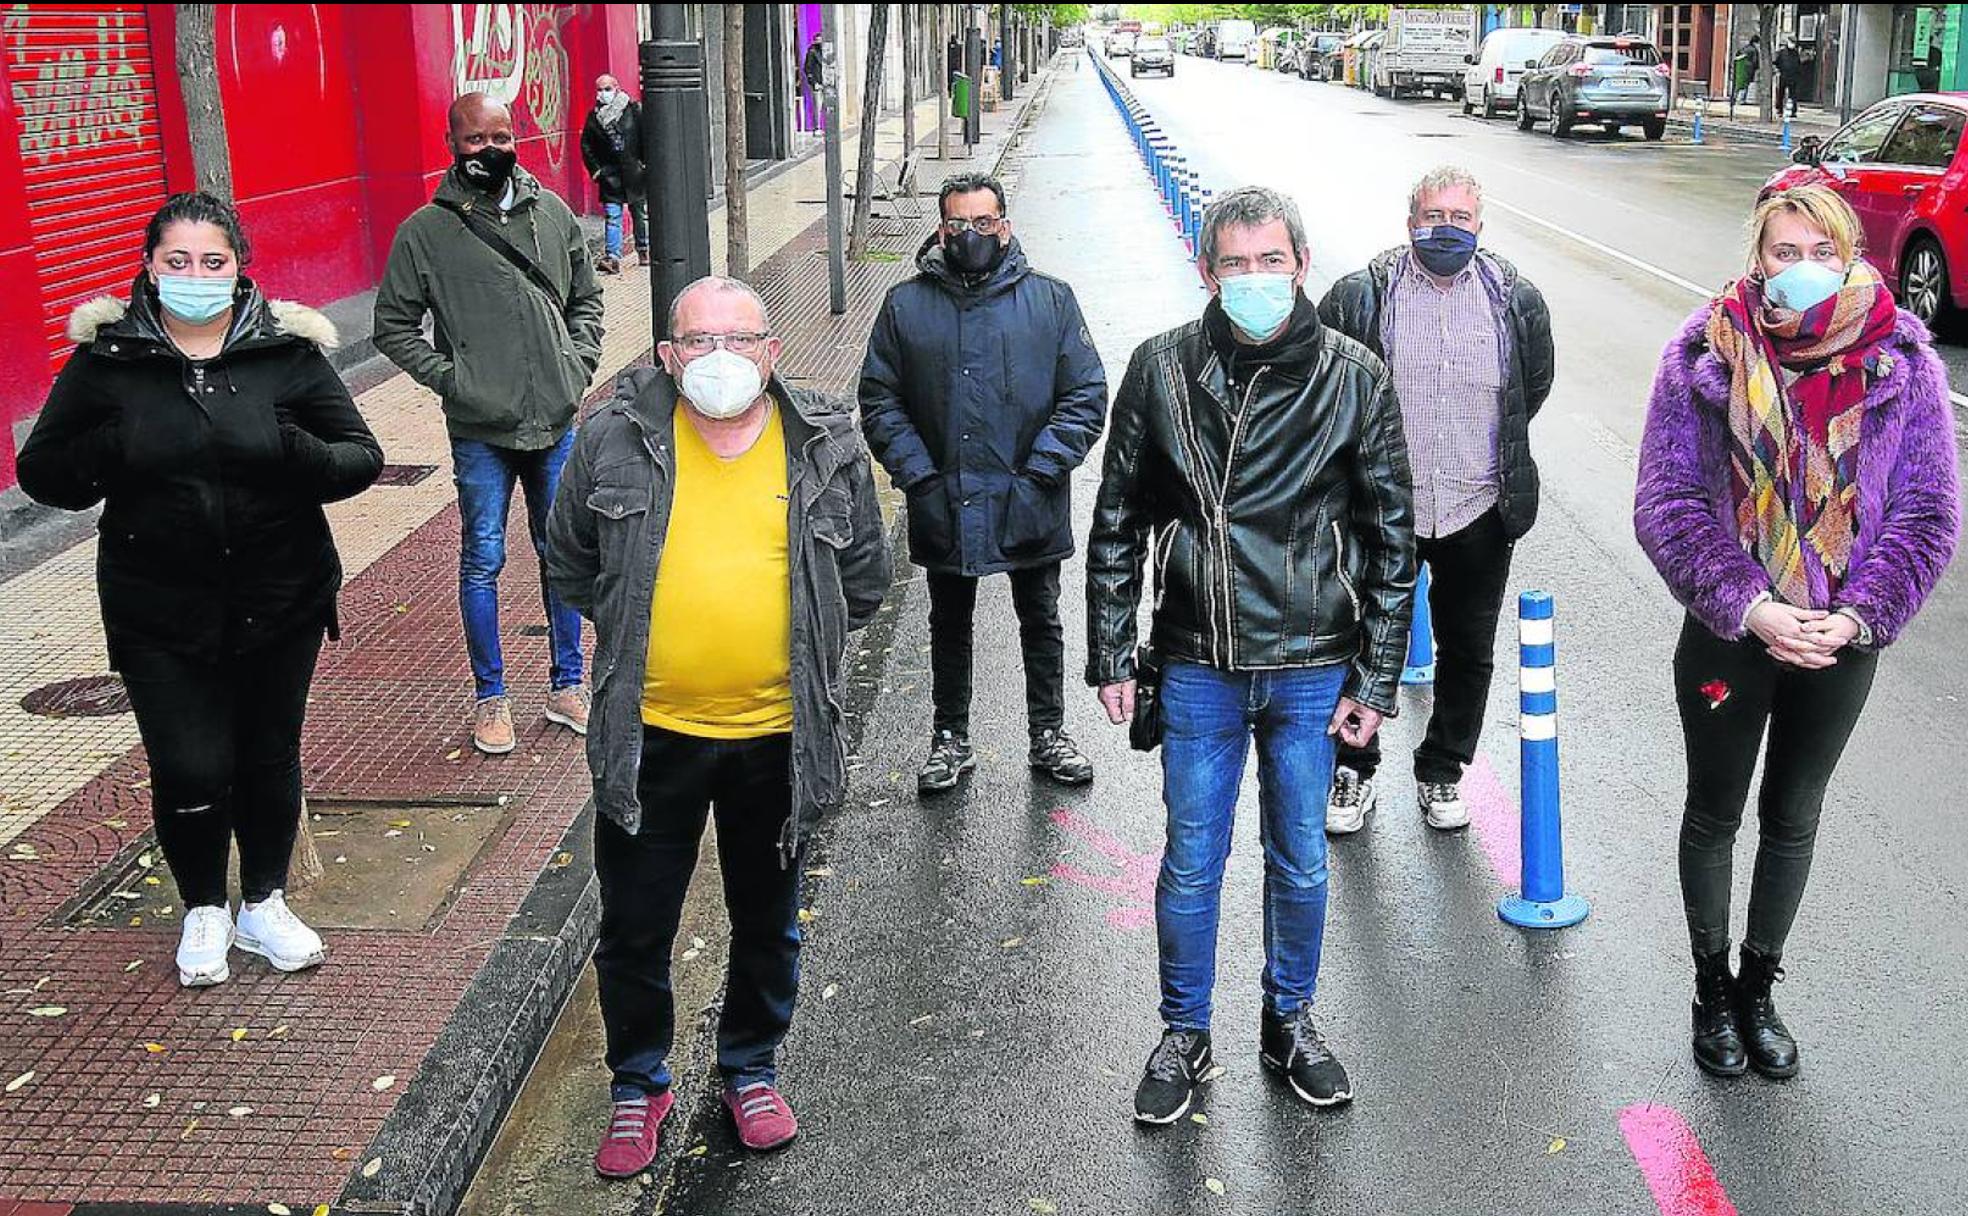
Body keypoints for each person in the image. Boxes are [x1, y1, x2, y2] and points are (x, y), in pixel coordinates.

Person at [1086, 186, 1415, 1123]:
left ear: (1301, 264)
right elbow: (1118, 519)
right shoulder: (1160, 369)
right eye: (1236, 263)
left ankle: (1290, 1022)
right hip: (1197, 659)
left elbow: (1395, 539)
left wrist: (1378, 681)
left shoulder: (1354, 377)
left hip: (1315, 662)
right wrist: (1113, 647)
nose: (1256, 279)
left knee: (1302, 859)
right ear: (1206, 270)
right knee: (1191, 859)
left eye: (1272, 260)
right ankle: (1184, 1032)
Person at [546, 276, 889, 1175]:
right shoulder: (612, 439)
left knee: (768, 916)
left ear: (773, 353)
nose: (720, 358)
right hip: (650, 734)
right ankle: (639, 1081)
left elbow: (862, 576)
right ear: (667, 355)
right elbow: (570, 560)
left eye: (741, 338)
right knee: (635, 922)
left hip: (778, 735)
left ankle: (749, 1064)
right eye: (699, 340)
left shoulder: (825, 442)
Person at [1635, 184, 1959, 1081]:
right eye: (1786, 251)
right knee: (1715, 812)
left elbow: (1928, 513)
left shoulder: (1904, 363)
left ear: (1856, 255)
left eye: (1825, 249)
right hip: (1730, 632)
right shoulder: (1702, 355)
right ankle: (1711, 992)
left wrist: (1856, 616)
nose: (1805, 267)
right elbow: (1667, 505)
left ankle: (1758, 988)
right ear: (1758, 258)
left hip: (1841, 641)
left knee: (1794, 818)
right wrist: (1752, 605)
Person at [17, 192, 382, 987]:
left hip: (281, 597)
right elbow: (41, 473)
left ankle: (262, 903)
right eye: (176, 260)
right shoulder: (109, 360)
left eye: (211, 261)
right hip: (159, 607)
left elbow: (361, 456)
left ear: (238, 266)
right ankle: (202, 912)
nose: (194, 275)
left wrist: (289, 447)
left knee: (267, 755)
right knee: (188, 764)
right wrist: (118, 443)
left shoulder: (285, 351)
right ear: (149, 266)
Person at [1316, 167, 1554, 835]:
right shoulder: (1363, 295)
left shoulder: (1515, 300)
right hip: (1383, 508)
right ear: (1409, 221)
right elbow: (1328, 391)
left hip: (1479, 505)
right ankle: (1352, 769)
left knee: (1468, 649)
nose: (1446, 227)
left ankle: (1443, 769)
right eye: (1433, 214)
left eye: (1461, 216)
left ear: (1480, 224)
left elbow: (1529, 392)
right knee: (1362, 642)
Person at [860, 172, 1108, 795]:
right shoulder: (905, 306)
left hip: (1030, 496)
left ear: (1005, 225)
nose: (970, 235)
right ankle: (950, 736)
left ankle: (1048, 732)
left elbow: (1084, 394)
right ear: (941, 229)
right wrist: (918, 476)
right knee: (949, 619)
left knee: (1041, 616)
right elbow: (880, 398)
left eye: (984, 222)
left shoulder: (1051, 302)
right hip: (945, 495)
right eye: (958, 224)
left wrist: (1043, 470)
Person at [374, 92, 605, 756]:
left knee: (561, 553)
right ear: (451, 142)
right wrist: (455, 379)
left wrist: (577, 362)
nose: (490, 149)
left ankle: (567, 686)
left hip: (555, 418)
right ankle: (490, 699)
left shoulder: (552, 213)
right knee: (482, 560)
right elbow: (392, 326)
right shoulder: (426, 231)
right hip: (480, 430)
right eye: (475, 138)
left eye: (501, 136)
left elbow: (587, 297)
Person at [579, 73, 647, 274]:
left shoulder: (633, 110)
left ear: (616, 88)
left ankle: (644, 249)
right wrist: (597, 171)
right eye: (599, 89)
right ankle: (613, 258)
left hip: (634, 173)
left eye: (607, 89)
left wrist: (645, 164)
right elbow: (587, 145)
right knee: (613, 216)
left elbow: (645, 137)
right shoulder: (594, 117)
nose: (602, 94)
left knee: (639, 213)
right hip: (610, 176)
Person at [1774, 37, 1803, 119]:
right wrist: (1778, 70)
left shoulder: (1795, 53)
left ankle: (1793, 111)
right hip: (1784, 75)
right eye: (1792, 42)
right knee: (1781, 93)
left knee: (1793, 95)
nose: (1793, 44)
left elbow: (1798, 65)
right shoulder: (1782, 52)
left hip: (1793, 77)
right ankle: (1779, 109)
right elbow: (1777, 62)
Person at [1732, 34, 1760, 107]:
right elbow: (1755, 61)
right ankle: (1741, 100)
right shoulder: (1754, 50)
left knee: (1739, 84)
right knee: (1745, 85)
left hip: (1742, 69)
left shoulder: (1744, 48)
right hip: (1749, 70)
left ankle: (1736, 98)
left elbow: (1737, 56)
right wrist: (1756, 68)